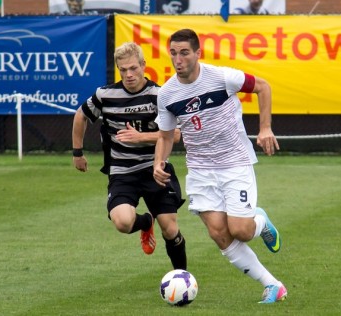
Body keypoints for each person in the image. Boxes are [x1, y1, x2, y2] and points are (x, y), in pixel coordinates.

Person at [153, 29, 286, 304]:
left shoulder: (222, 77)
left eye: (185, 53)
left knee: (241, 231)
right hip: (200, 170)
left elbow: (263, 86)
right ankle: (273, 285)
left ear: (198, 53)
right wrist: (159, 161)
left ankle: (259, 222)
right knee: (219, 233)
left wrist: (265, 128)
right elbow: (166, 136)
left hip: (234, 162)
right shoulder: (166, 94)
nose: (178, 59)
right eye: (174, 53)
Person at [72, 42, 187, 270]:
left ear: (144, 65)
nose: (129, 74)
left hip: (155, 168)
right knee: (123, 223)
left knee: (170, 229)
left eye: (133, 68)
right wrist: (77, 153)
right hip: (123, 173)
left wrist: (141, 137)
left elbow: (175, 135)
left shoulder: (159, 95)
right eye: (123, 70)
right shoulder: (105, 95)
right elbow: (80, 115)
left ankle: (181, 277)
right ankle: (145, 222)